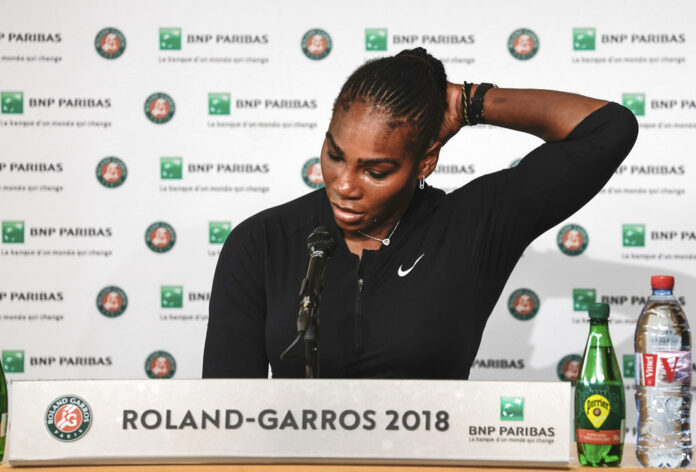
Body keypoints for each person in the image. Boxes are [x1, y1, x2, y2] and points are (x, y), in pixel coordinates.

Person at [202, 48, 638, 379]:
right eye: (335, 156)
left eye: (376, 171)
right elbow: (225, 417)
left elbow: (608, 130)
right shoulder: (261, 242)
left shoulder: (472, 226)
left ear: (425, 162)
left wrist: (469, 103)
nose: (345, 185)